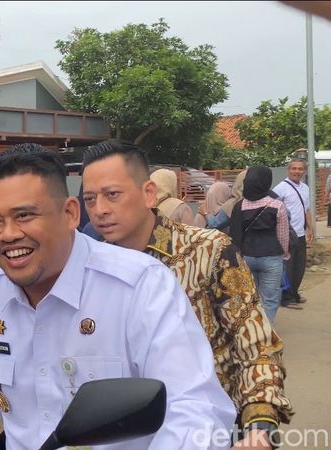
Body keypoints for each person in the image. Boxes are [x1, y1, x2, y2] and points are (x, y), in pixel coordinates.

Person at [0, 143, 236, 450]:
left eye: (24, 215)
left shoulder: (138, 285)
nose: (7, 235)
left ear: (70, 213)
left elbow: (194, 409)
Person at [81, 140, 293, 449]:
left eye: (112, 194)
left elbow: (255, 344)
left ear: (148, 193)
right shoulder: (90, 268)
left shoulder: (208, 251)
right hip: (123, 434)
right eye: (90, 198)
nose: (99, 209)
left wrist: (259, 426)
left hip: (211, 429)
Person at [228, 166, 290, 324]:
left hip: (246, 257)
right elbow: (283, 235)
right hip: (271, 256)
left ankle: (252, 328)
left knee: (250, 297)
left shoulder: (239, 206)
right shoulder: (277, 205)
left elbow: (234, 235)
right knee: (270, 299)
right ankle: (265, 330)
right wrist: (284, 254)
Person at [272, 158, 314, 307]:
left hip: (300, 234)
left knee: (299, 266)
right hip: (287, 234)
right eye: (293, 168)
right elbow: (273, 210)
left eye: (300, 169)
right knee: (287, 267)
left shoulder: (305, 188)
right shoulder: (280, 188)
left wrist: (310, 228)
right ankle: (285, 298)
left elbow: (306, 209)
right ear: (288, 170)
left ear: (304, 171)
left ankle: (294, 293)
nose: (297, 171)